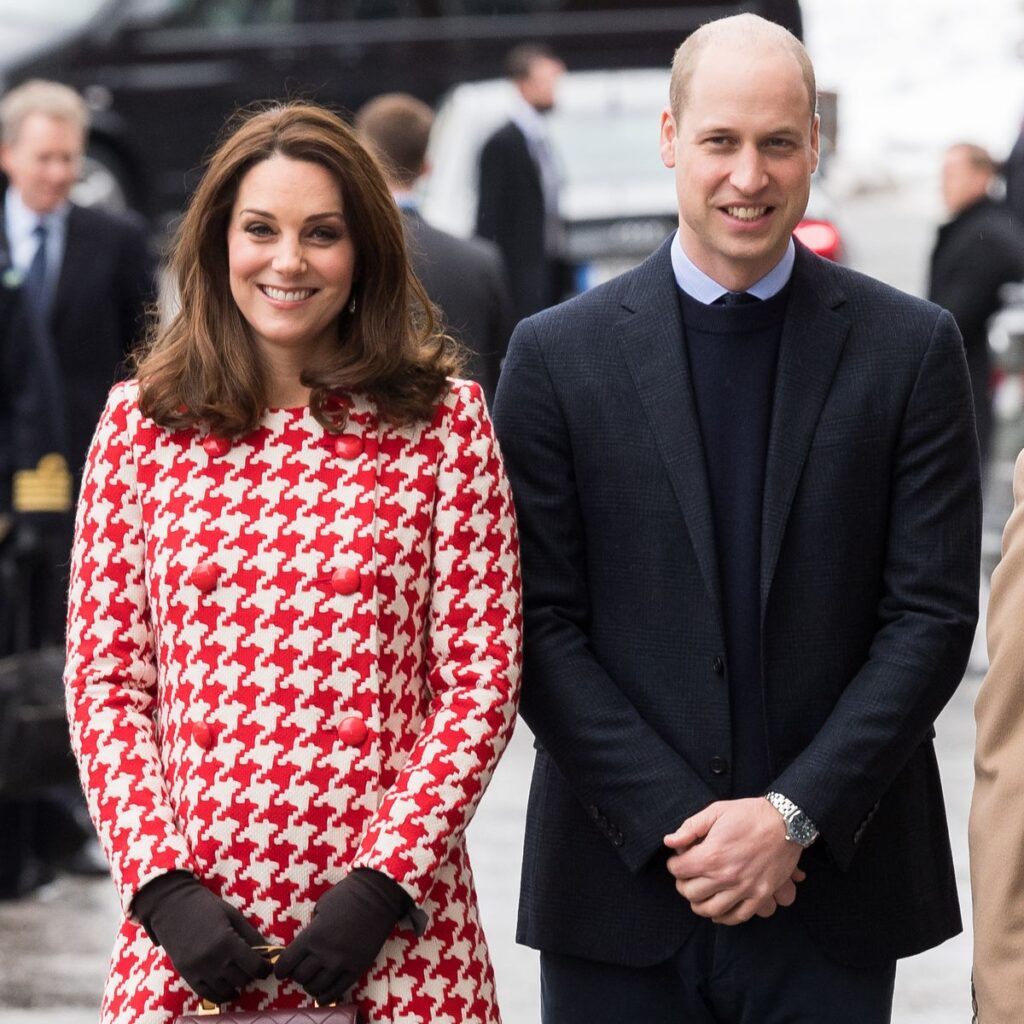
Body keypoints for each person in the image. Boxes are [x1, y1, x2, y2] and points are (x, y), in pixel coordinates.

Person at [492, 14, 980, 1023]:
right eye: (720, 140)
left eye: (777, 143)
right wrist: (684, 824)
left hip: (832, 894)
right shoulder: (554, 358)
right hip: (618, 893)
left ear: (815, 144)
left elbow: (928, 618)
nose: (747, 176)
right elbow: (534, 621)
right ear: (671, 138)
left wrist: (791, 818)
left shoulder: (910, 349)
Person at [63, 101, 522, 1024]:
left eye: (322, 234)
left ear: (364, 254)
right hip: (190, 946)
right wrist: (158, 888)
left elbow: (481, 679)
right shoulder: (141, 427)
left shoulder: (444, 425)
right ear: (215, 243)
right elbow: (108, 683)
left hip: (396, 944)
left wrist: (384, 885)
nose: (288, 261)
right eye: (260, 230)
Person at [355, 92, 514, 406]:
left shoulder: (344, 255)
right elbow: (501, 369)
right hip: (466, 443)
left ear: (362, 155)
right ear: (427, 166)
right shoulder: (481, 261)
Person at [928, 142, 1024, 477]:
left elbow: (952, 318)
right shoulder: (979, 227)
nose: (943, 182)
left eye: (952, 172)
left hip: (974, 396)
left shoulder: (987, 237)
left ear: (983, 176)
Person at [476, 44, 567, 324]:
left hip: (545, 266)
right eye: (547, 82)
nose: (554, 90)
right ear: (524, 85)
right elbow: (488, 218)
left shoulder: (538, 137)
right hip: (517, 275)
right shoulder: (503, 142)